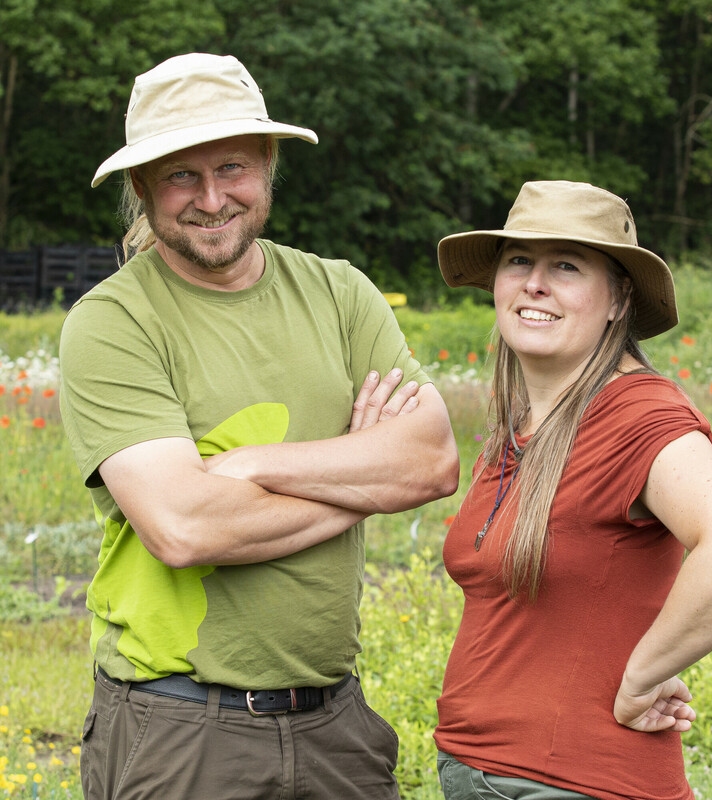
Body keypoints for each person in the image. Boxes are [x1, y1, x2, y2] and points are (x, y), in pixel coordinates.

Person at [59, 52, 459, 800]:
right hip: (180, 730)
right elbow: (183, 528)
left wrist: (245, 468)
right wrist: (363, 475)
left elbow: (432, 462)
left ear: (268, 166)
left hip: (336, 722)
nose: (212, 198)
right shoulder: (113, 323)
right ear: (142, 188)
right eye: (181, 174)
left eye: (233, 167)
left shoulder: (341, 294)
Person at [432, 180, 712, 800]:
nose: (535, 283)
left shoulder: (637, 417)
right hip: (486, 772)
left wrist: (643, 678)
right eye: (520, 261)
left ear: (619, 299)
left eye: (566, 265)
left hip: (574, 782)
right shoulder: (526, 420)